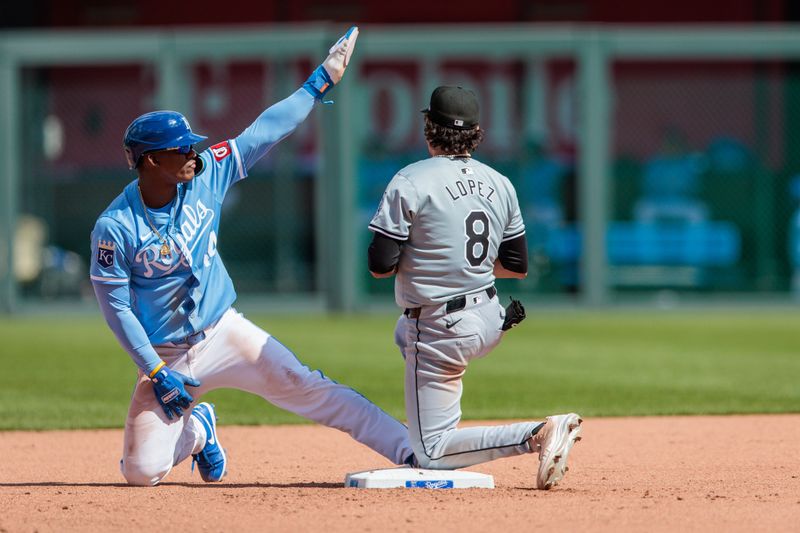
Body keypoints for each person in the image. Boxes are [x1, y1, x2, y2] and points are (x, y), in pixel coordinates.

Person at [90, 26, 416, 486]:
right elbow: (116, 307)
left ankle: (407, 449)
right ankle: (199, 431)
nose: (192, 152)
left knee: (306, 385)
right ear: (149, 161)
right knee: (141, 473)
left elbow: (263, 131)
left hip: (223, 331)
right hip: (165, 354)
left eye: (192, 144)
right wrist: (155, 371)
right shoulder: (116, 226)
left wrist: (319, 81)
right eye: (180, 148)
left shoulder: (206, 174)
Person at [366, 86, 583, 490]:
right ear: (477, 133)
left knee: (431, 452)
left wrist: (435, 263)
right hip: (490, 317)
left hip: (440, 329)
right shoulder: (500, 182)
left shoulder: (410, 179)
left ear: (429, 127)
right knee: (405, 333)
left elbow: (380, 267)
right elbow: (517, 266)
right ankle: (433, 412)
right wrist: (466, 269)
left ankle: (538, 432)